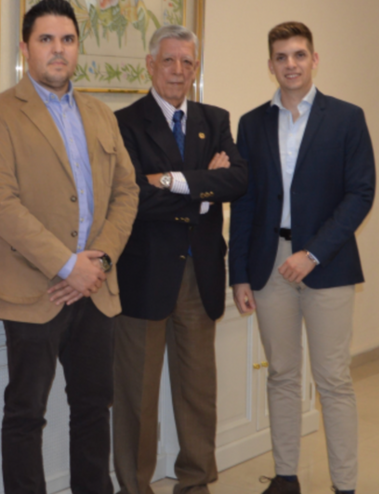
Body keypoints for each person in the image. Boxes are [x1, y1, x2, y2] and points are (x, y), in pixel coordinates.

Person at [0, 0, 139, 494]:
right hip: (34, 291)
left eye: (68, 40)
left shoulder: (101, 113)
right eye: (46, 39)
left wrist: (97, 263)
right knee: (26, 414)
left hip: (95, 288)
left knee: (94, 408)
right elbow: (0, 204)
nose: (59, 50)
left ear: (78, 48)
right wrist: (65, 264)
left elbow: (126, 192)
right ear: (25, 49)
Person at [229, 21, 375, 494]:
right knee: (283, 375)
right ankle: (286, 476)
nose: (290, 64)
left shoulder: (347, 118)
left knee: (332, 379)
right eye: (281, 56)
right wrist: (240, 275)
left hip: (326, 263)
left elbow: (360, 194)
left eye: (299, 55)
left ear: (314, 59)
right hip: (269, 262)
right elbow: (246, 202)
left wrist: (312, 253)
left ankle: (345, 485)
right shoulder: (251, 123)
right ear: (269, 64)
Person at [113, 25, 248, 494]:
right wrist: (202, 188)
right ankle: (135, 486)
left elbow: (238, 181)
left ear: (196, 69)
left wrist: (169, 181)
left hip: (201, 273)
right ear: (150, 64)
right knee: (137, 396)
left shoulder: (216, 117)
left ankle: (194, 483)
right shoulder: (124, 122)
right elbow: (133, 198)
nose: (178, 71)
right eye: (168, 61)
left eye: (187, 62)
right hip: (144, 276)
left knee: (197, 392)